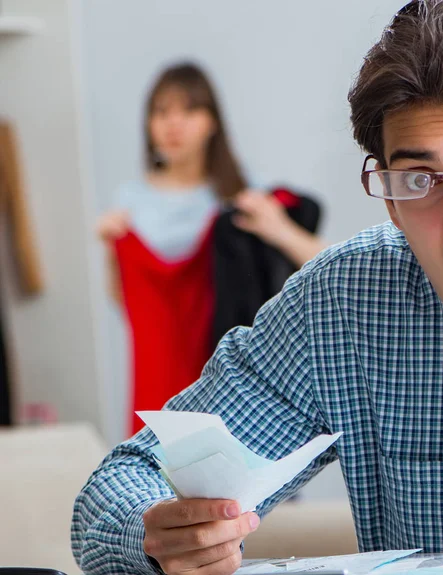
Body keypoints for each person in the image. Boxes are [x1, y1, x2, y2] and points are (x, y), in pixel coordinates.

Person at [73, 0, 443, 573]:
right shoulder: (347, 301)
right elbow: (118, 490)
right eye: (420, 179)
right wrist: (160, 534)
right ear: (392, 203)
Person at [97, 62, 325, 434]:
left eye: (189, 110)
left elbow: (318, 264)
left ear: (212, 122)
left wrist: (277, 227)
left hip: (229, 380)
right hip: (158, 373)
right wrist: (112, 252)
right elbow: (126, 304)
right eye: (161, 111)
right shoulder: (129, 203)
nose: (173, 124)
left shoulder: (243, 193)